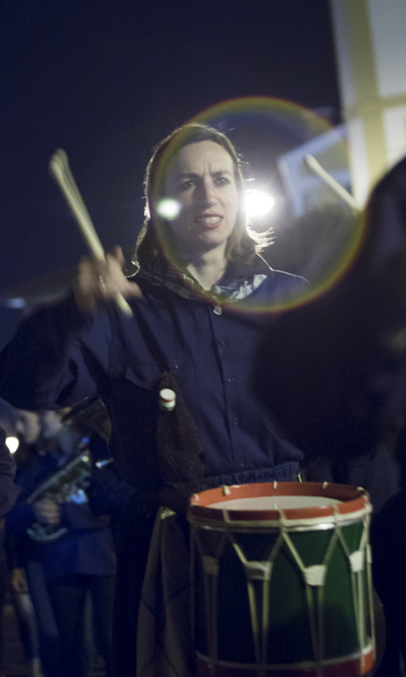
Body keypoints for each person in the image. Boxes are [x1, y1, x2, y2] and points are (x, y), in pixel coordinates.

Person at [0, 123, 307, 676]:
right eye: (187, 183)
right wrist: (70, 312)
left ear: (240, 194)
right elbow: (23, 386)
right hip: (174, 542)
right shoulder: (119, 311)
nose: (208, 195)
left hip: (285, 524)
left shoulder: (289, 296)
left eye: (221, 179)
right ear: (158, 207)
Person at [6, 407, 118, 677]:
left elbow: (115, 497)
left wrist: (71, 510)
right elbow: (11, 512)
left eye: (40, 413)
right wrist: (33, 511)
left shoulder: (96, 449)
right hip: (60, 559)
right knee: (69, 643)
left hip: (101, 554)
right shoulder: (37, 461)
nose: (25, 426)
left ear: (62, 413)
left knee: (111, 638)